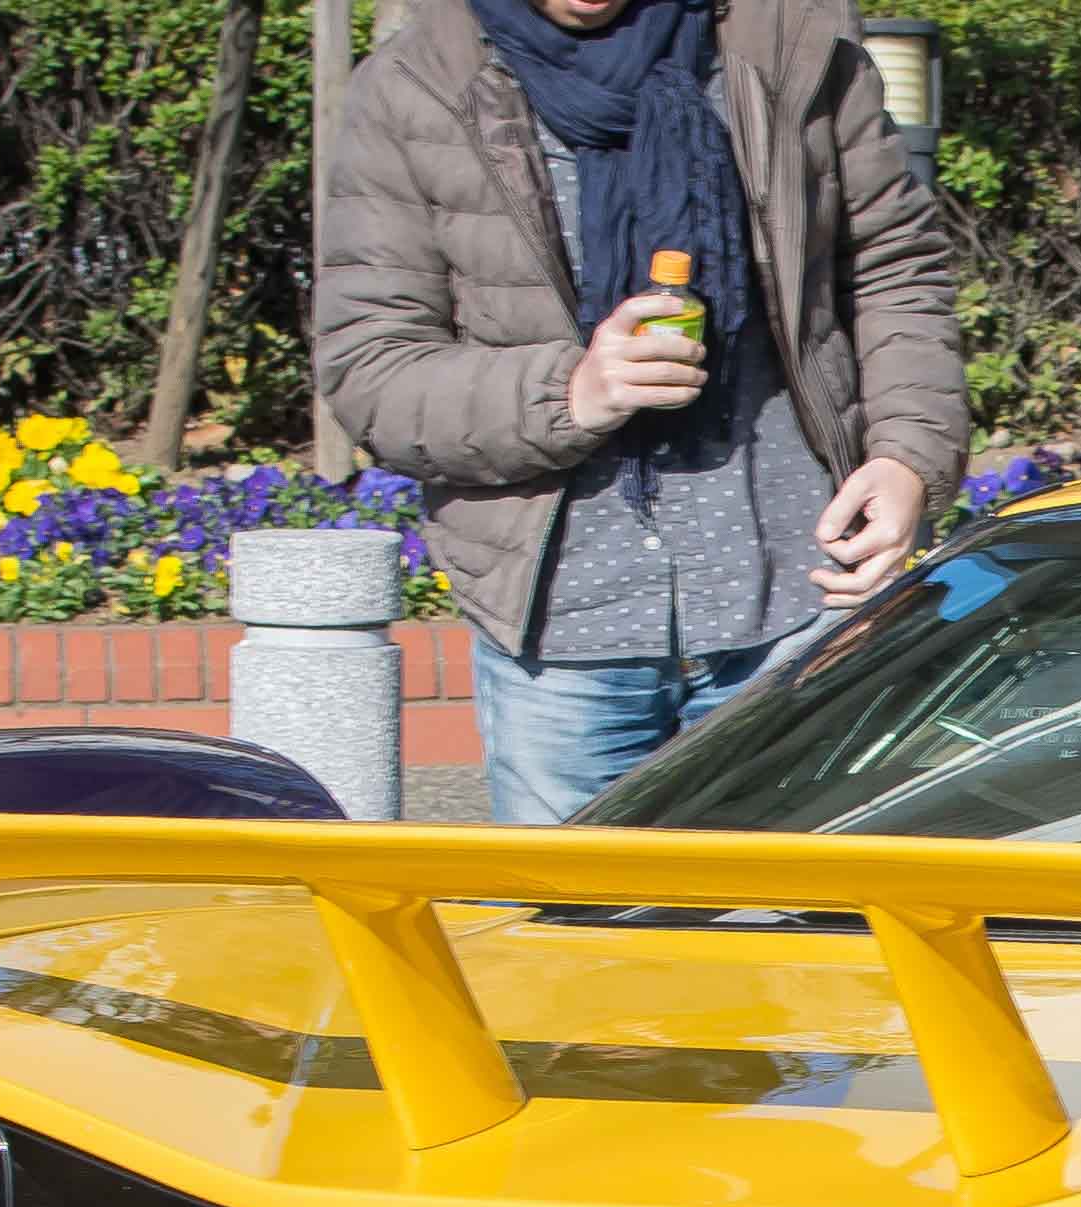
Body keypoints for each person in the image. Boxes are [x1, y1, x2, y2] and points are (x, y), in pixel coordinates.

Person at [316, 0, 967, 823]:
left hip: (797, 597)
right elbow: (371, 366)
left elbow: (894, 271)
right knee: (579, 940)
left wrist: (909, 456)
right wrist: (572, 392)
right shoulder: (418, 84)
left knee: (796, 935)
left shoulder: (785, 44)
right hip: (566, 629)